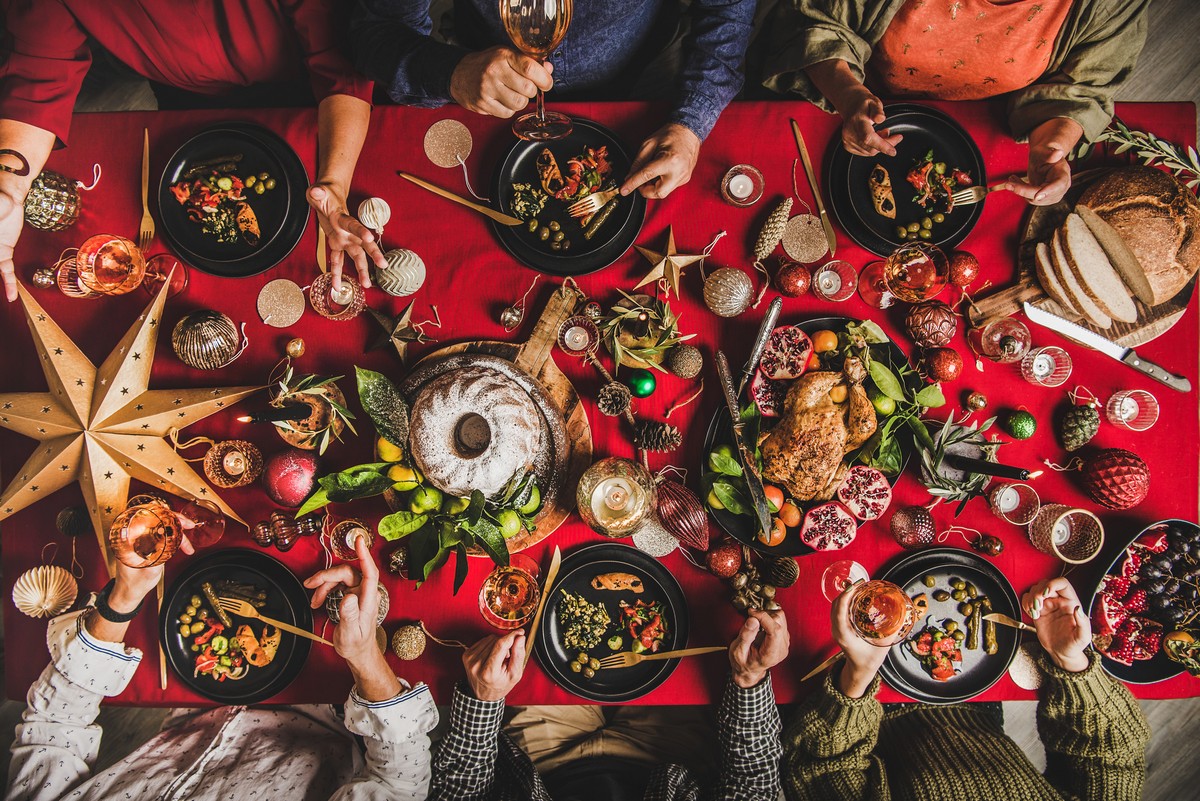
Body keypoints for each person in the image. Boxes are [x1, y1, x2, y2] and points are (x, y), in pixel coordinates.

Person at [0, 0, 389, 304]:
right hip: (183, 94)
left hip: (304, 85)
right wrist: (10, 191)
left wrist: (334, 184)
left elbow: (337, 64)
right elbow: (38, 77)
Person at [5, 536, 438, 800]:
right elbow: (398, 787)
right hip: (339, 705)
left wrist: (121, 600)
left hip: (189, 702)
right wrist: (364, 656)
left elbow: (52, 725)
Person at [783, 576, 1150, 800]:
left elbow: (821, 770)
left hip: (855, 716)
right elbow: (1115, 753)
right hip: (976, 709)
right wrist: (1068, 658)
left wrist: (858, 676)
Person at [349, 0, 756, 200]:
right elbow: (375, 33)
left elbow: (728, 13)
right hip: (483, 86)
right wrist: (452, 73)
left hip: (645, 83)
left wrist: (692, 121)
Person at [762, 0, 1151, 205]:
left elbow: (1081, 86)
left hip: (986, 125)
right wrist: (849, 94)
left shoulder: (1110, 5)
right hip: (840, 92)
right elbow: (812, 22)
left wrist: (1053, 144)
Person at [432, 608, 790, 800]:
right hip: (666, 756)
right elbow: (753, 782)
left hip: (543, 766)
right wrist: (749, 677)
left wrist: (484, 697)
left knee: (527, 654)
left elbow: (458, 791)